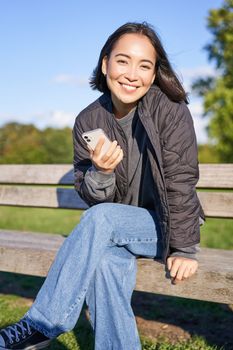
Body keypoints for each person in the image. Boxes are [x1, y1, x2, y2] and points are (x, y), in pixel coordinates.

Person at [0, 21, 205, 350]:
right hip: (117, 227)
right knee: (107, 261)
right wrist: (102, 173)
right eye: (123, 60)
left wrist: (183, 248)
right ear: (105, 63)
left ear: (154, 74)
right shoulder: (88, 120)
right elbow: (92, 194)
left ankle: (42, 323)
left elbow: (182, 179)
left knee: (103, 219)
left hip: (168, 225)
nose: (132, 74)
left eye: (144, 65)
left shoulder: (171, 110)